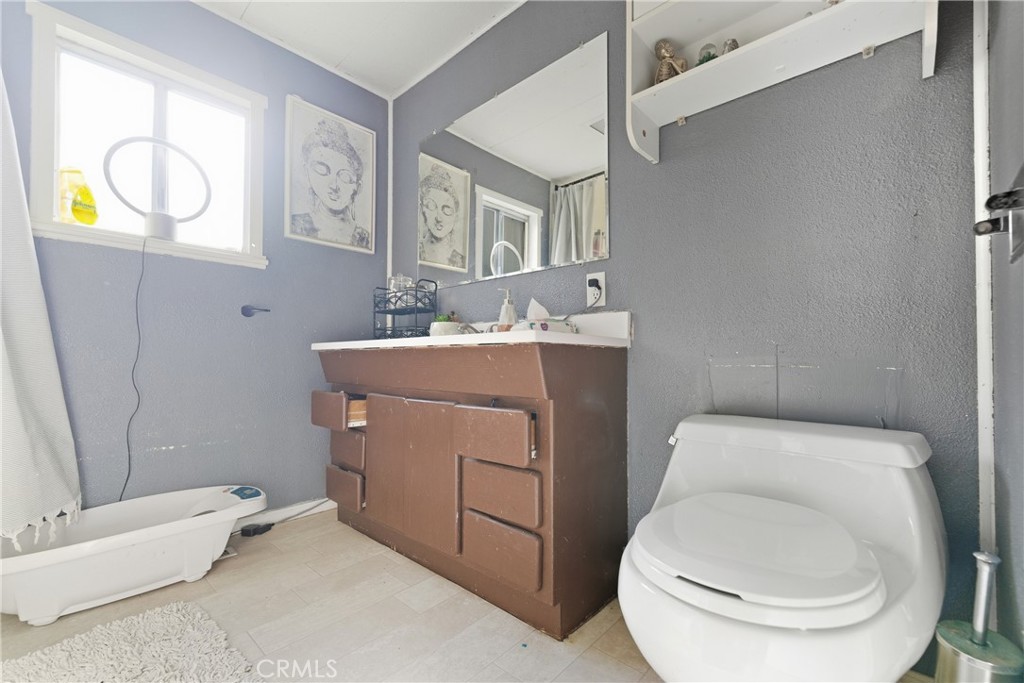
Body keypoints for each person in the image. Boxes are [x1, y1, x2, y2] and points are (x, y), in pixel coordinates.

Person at [291, 119, 370, 249]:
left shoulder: (364, 239)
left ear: (357, 187)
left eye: (344, 176)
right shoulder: (296, 225)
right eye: (322, 170)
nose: (333, 185)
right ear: (307, 171)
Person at [418, 163, 465, 269]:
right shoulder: (413, 252)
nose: (438, 218)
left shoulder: (460, 260)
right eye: (431, 206)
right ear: (422, 209)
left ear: (455, 216)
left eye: (447, 210)